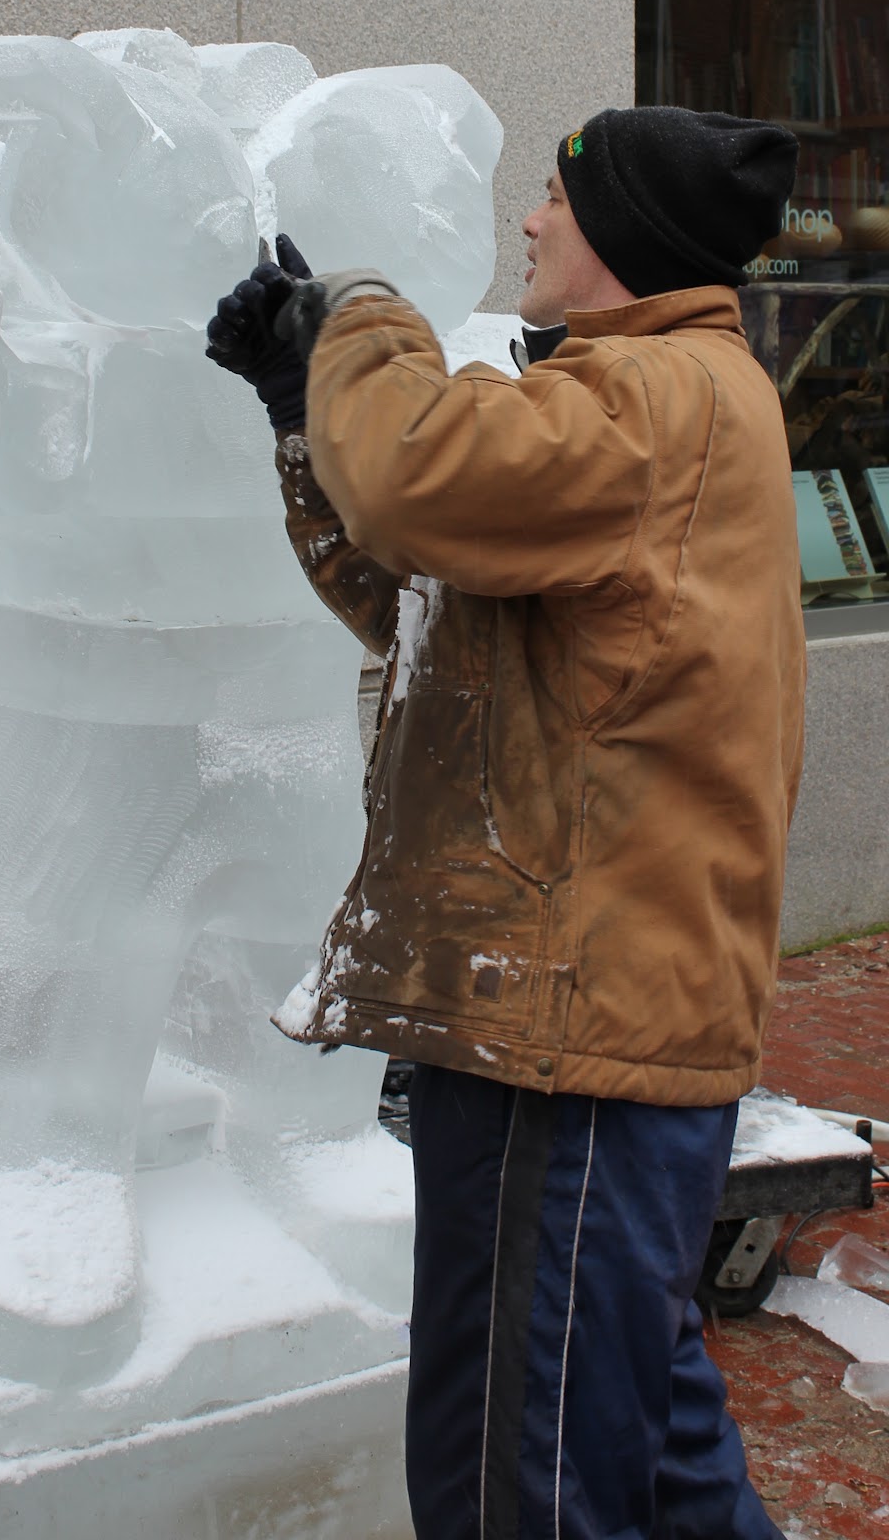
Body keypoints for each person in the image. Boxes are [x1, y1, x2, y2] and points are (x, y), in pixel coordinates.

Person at [206, 105, 804, 1540]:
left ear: (620, 238)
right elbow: (423, 607)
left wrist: (354, 315)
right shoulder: (641, 402)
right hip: (584, 1030)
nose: (529, 221)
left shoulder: (656, 398)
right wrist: (304, 411)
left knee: (518, 1481)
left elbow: (416, 480)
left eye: (551, 198)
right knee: (638, 1442)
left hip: (573, 1045)